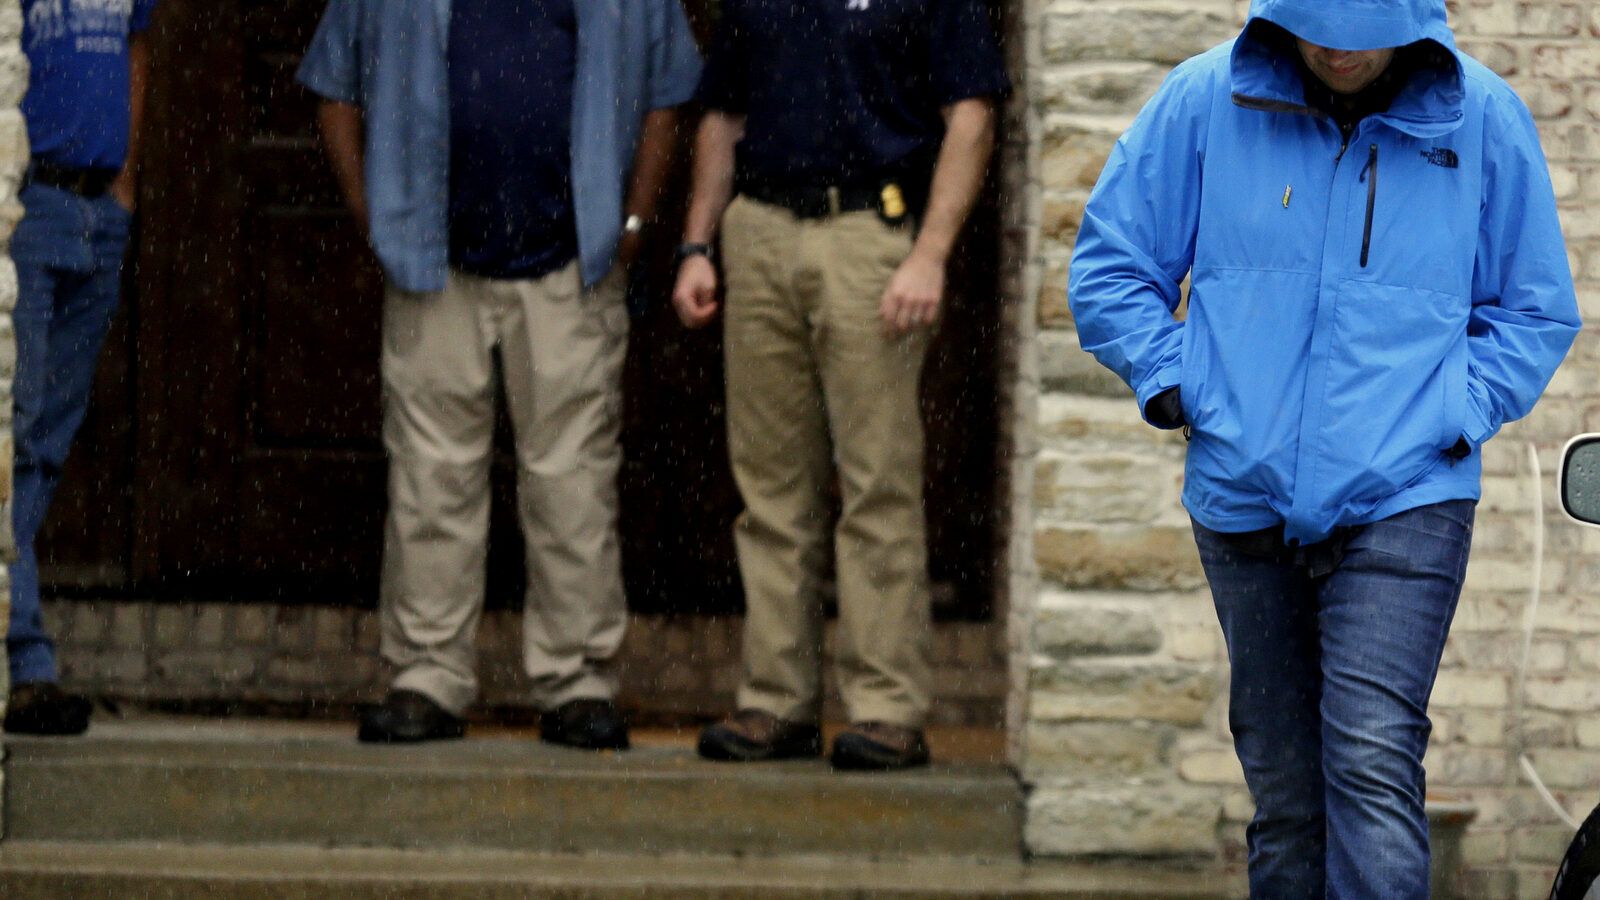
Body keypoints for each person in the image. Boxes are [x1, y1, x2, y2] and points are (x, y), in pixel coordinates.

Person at [1068, 0, 1580, 895]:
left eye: (1364, 34)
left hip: (1408, 495)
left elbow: (1534, 307)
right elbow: (1112, 267)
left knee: (1373, 762)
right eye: (1319, 32)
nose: (1340, 54)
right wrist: (1183, 384)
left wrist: (1454, 410)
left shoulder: (1485, 120)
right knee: (1286, 792)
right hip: (1242, 496)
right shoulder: (1201, 102)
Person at [297, 0, 701, 749]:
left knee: (573, 481)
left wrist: (633, 229)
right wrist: (372, 216)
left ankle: (578, 682)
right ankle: (426, 677)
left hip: (572, 267)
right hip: (430, 265)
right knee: (429, 478)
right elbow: (335, 86)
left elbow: (666, 94)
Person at [670, 0, 1008, 770]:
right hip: (758, 233)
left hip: (870, 236)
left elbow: (972, 117)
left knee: (876, 484)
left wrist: (929, 253)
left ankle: (886, 709)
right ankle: (774, 703)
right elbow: (722, 118)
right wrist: (697, 241)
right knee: (769, 492)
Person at [5, 0, 158, 736]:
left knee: (44, 445)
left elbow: (136, 48)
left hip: (97, 209)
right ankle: (25, 662)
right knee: (18, 435)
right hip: (31, 203)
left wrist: (125, 182)